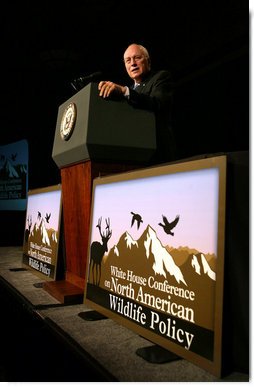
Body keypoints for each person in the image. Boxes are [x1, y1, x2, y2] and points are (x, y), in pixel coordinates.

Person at [98, 43, 176, 164]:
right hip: (133, 157)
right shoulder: (129, 91)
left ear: (148, 61)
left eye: (137, 58)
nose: (132, 63)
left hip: (158, 155)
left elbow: (157, 104)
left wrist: (124, 91)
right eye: (128, 60)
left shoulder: (160, 77)